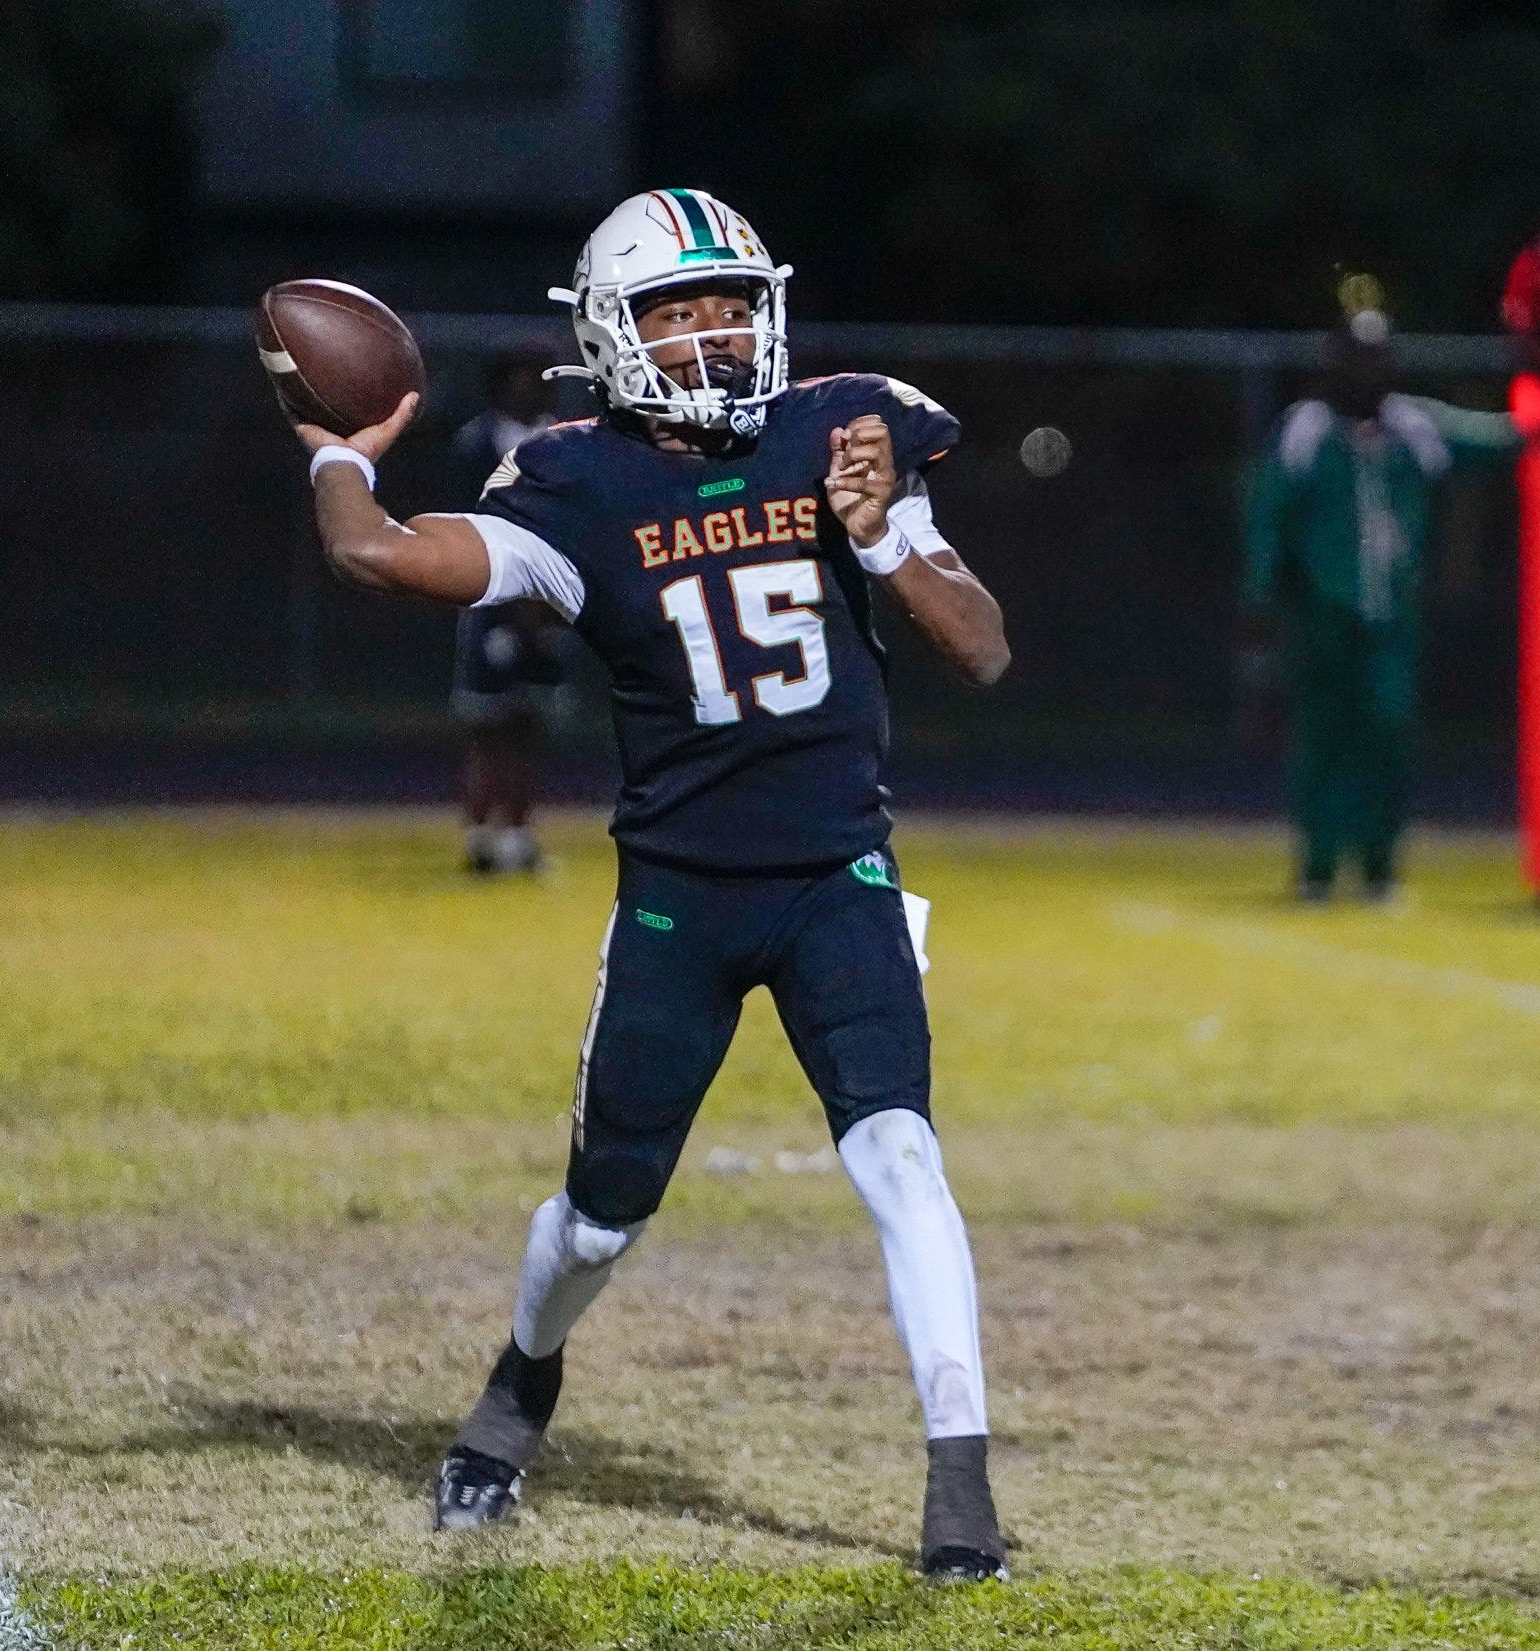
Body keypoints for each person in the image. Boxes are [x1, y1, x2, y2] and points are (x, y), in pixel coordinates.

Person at [277, 188, 1013, 1578]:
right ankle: (520, 1379)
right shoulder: (576, 481)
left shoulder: (846, 429)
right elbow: (375, 552)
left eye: (733, 305)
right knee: (604, 1214)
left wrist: (883, 537)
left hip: (838, 875)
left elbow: (980, 649)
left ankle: (960, 1483)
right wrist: (338, 451)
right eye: (680, 315)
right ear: (612, 335)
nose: (717, 338)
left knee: (903, 1154)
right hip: (680, 897)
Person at [1240, 310, 1518, 902]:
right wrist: (1263, 601)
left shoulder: (1414, 427)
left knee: (1387, 738)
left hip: (1392, 616)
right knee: (1321, 738)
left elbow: (1491, 440)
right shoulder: (1305, 431)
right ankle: (1317, 867)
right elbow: (1269, 518)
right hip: (1322, 614)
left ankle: (1378, 867)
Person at [449, 356, 568, 875]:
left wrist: (548, 603)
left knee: (530, 723)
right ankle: (480, 838)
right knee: (486, 722)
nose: (526, 389)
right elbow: (460, 521)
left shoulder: (566, 441)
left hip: (551, 602)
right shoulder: (475, 444)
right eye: (516, 380)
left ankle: (519, 836)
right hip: (491, 599)